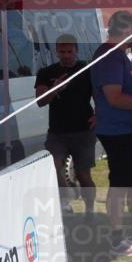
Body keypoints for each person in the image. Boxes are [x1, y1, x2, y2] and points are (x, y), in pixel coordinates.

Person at [90, 11, 132, 257]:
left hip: (131, 130)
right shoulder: (109, 56)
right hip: (118, 132)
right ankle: (117, 239)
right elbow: (114, 97)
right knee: (121, 185)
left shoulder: (118, 56)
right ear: (126, 30)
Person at [35, 35, 96, 217]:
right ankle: (65, 202)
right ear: (56, 52)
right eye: (62, 51)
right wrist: (56, 89)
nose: (66, 55)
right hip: (57, 131)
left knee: (83, 174)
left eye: (70, 51)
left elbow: (101, 94)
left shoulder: (86, 70)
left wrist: (99, 115)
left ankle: (90, 209)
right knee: (55, 166)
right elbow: (40, 101)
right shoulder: (46, 72)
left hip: (83, 130)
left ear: (76, 50)